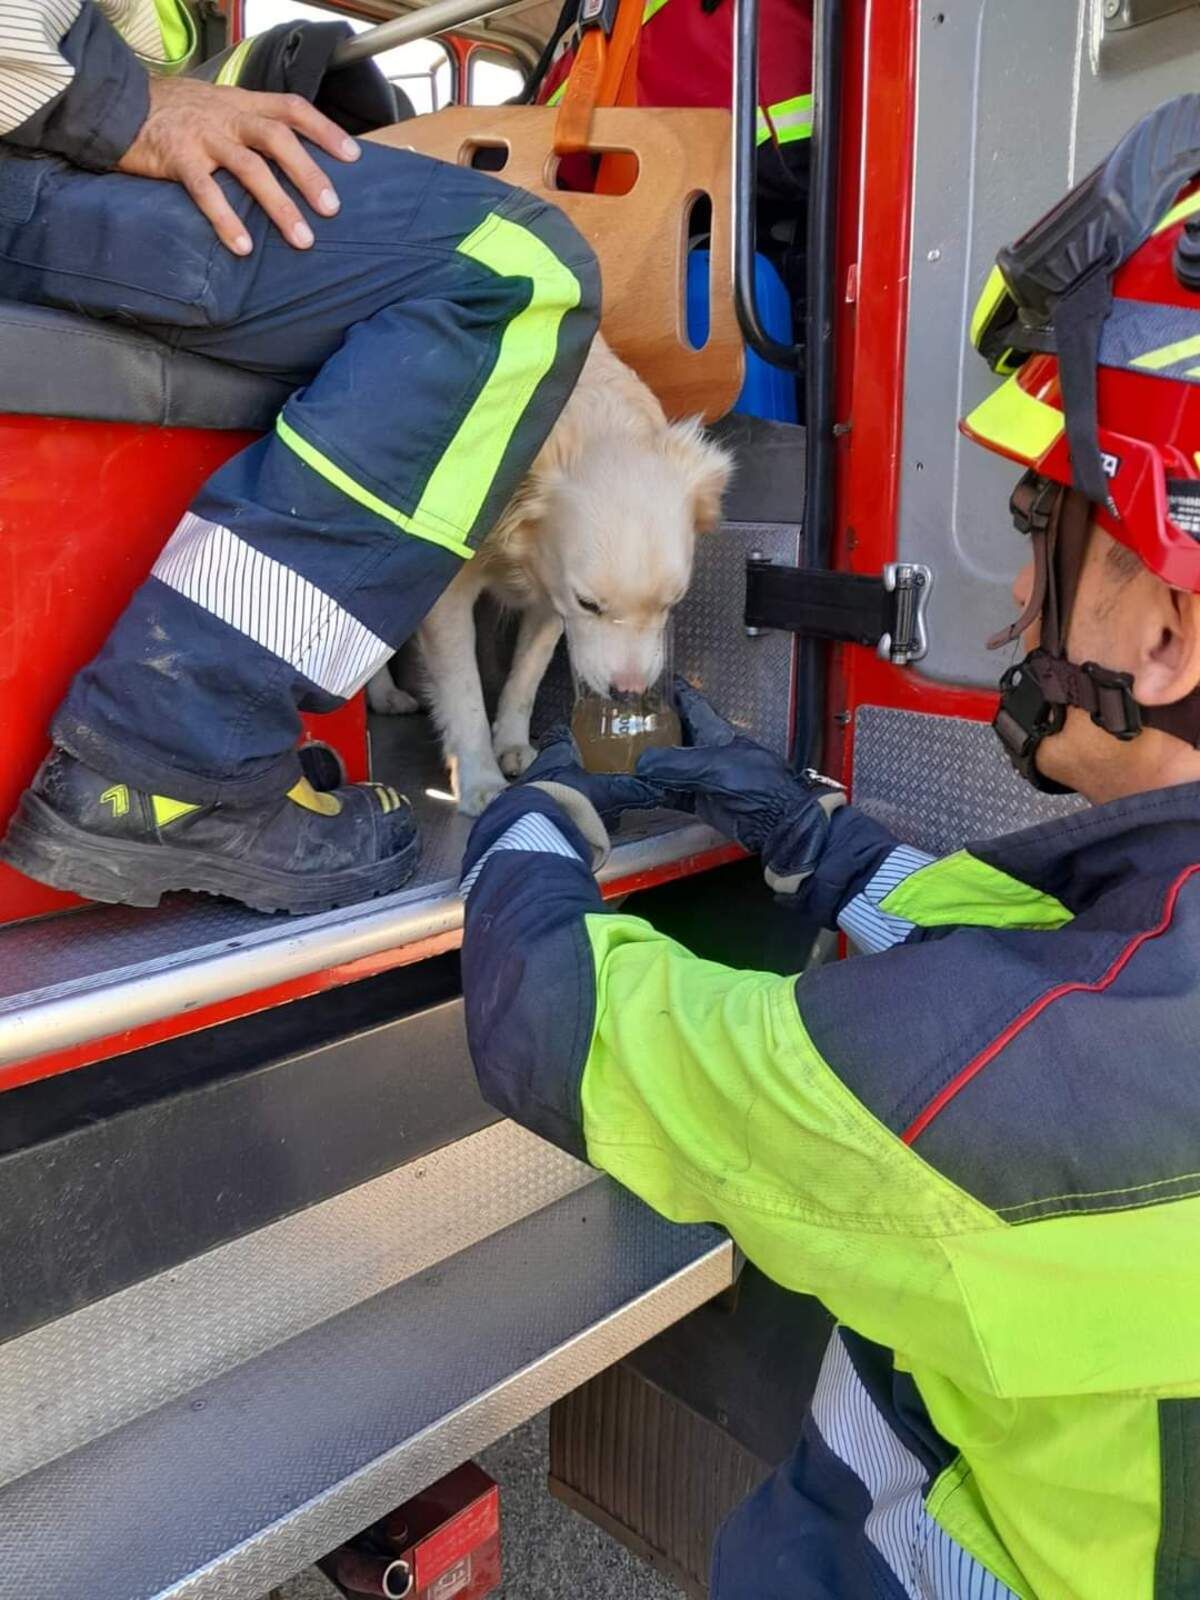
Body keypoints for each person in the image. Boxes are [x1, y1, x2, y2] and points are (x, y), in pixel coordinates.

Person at [456, 100, 1200, 1599]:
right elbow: (1042, 970)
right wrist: (794, 819)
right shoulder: (1150, 951)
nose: (1013, 615)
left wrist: (528, 822)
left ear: (1168, 630)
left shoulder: (1038, 1096)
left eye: (1043, 533)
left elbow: (572, 1026)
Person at [0, 1, 598, 914]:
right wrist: (126, 108)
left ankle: (197, 723)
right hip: (29, 156)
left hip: (46, 150)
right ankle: (179, 748)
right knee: (515, 270)